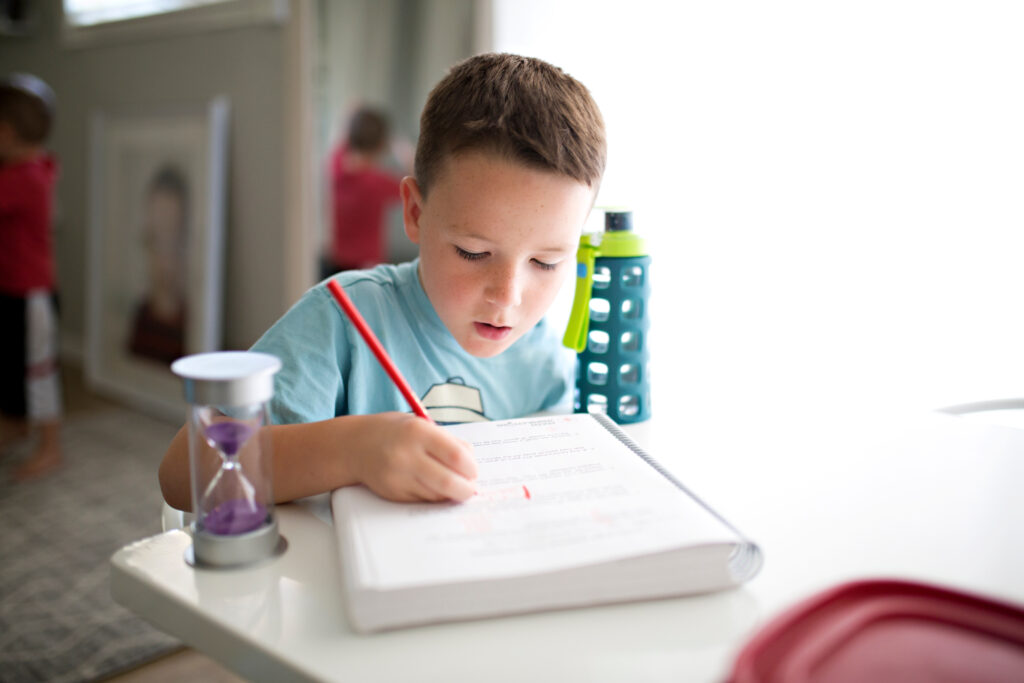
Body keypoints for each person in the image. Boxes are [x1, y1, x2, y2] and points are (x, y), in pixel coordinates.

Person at [159, 53, 606, 510]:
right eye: (474, 252)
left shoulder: (544, 361)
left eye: (547, 262)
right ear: (414, 212)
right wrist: (353, 450)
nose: (507, 296)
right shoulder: (343, 322)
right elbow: (182, 474)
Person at [0, 73, 63, 481]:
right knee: (10, 364)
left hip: (32, 294)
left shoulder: (25, 180)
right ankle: (18, 423)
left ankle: (51, 445)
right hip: (10, 288)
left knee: (38, 369)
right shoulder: (32, 166)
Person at [322, 106, 409, 279]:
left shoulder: (336, 165)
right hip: (365, 269)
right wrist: (403, 150)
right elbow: (418, 183)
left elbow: (345, 125)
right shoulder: (377, 183)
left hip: (333, 264)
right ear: (381, 145)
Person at [127, 164, 188, 366]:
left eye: (171, 237)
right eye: (154, 239)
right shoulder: (140, 320)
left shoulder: (192, 327)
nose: (162, 257)